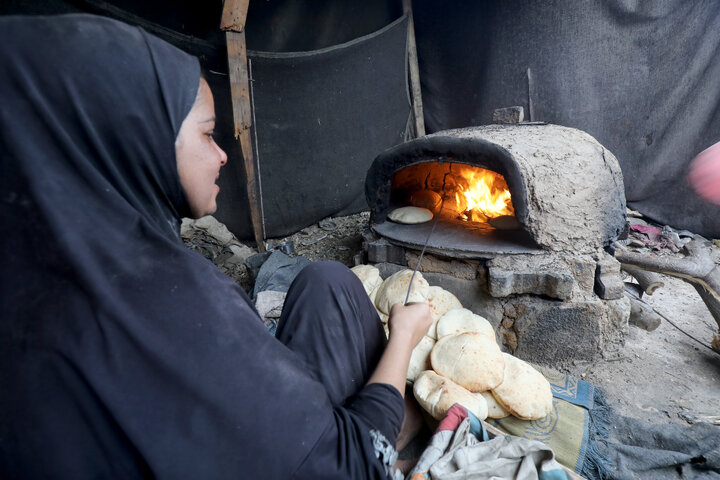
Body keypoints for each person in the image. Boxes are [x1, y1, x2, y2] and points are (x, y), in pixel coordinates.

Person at [0, 14, 432, 479]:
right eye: (207, 133)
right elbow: (349, 467)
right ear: (133, 136)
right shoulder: (170, 305)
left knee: (327, 280)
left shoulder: (32, 276)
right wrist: (403, 338)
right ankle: (401, 427)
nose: (222, 153)